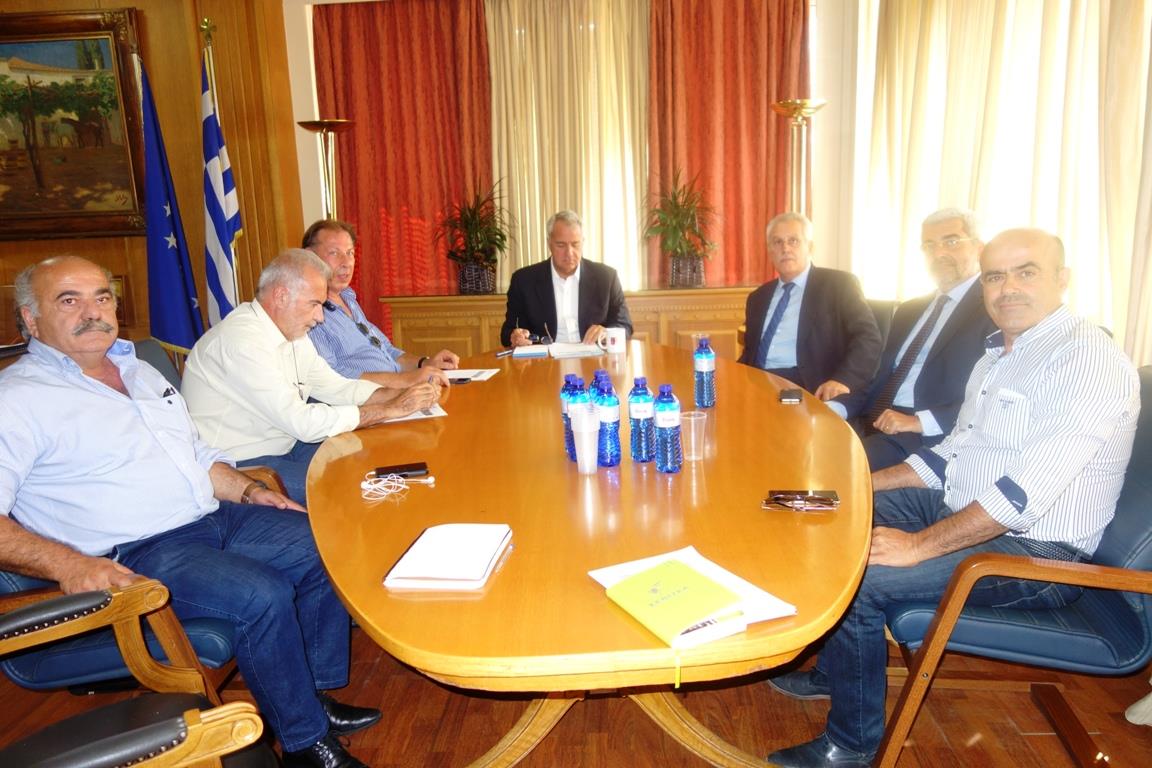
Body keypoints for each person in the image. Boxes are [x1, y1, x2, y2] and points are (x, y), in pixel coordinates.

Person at [765, 229, 1140, 768]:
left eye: (1026, 272)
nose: (1008, 288)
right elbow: (948, 456)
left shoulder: (1085, 360)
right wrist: (857, 487)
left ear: (1062, 280)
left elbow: (1023, 495)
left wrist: (918, 546)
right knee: (824, 511)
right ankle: (838, 670)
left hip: (1035, 554)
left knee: (859, 581)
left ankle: (851, 745)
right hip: (961, 507)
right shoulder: (997, 357)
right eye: (995, 276)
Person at [0, 256, 379, 768]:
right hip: (137, 552)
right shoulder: (17, 399)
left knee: (326, 543)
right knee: (262, 594)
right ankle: (306, 744)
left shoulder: (136, 371)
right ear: (30, 318)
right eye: (70, 300)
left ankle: (311, 698)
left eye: (102, 297)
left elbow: (195, 454)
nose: (93, 312)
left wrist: (248, 490)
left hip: (212, 516)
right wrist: (69, 565)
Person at [181, 249, 440, 505]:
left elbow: (336, 387)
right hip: (242, 465)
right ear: (281, 296)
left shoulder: (292, 333)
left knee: (379, 460)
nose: (320, 317)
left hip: (288, 444)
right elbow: (302, 423)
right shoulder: (241, 342)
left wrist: (400, 396)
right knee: (363, 487)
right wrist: (389, 409)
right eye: (314, 304)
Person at [828, 208, 997, 468]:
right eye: (929, 245)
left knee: (829, 468)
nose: (938, 253)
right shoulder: (910, 310)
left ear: (979, 248)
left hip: (929, 435)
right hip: (873, 420)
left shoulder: (993, 309)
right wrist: (833, 409)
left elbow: (993, 391)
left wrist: (920, 421)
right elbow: (878, 378)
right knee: (799, 444)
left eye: (951, 241)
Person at [738, 212, 882, 400]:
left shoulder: (838, 285)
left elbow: (868, 338)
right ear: (770, 251)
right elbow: (750, 353)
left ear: (810, 247)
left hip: (808, 385)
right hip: (756, 382)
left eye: (793, 241)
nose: (785, 248)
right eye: (777, 242)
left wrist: (843, 380)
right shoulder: (758, 297)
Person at [304, 219, 459, 388]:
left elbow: (387, 349)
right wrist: (407, 380)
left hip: (395, 391)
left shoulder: (348, 299)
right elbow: (331, 376)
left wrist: (426, 363)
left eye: (350, 253)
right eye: (334, 253)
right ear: (310, 257)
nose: (346, 262)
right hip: (370, 400)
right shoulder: (309, 312)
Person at [500, 210, 633, 347]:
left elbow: (625, 325)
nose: (569, 253)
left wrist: (606, 333)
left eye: (575, 244)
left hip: (593, 355)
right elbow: (507, 332)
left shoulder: (606, 278)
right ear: (549, 243)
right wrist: (514, 336)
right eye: (561, 245)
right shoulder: (523, 281)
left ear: (583, 242)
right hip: (544, 357)